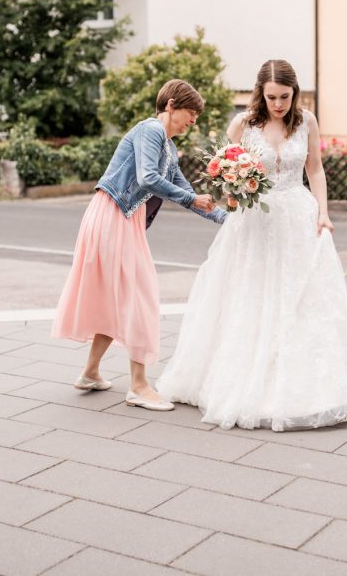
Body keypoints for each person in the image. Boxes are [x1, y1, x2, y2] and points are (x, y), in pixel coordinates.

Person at [156, 60, 347, 430]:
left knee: (302, 297)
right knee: (249, 295)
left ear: (295, 93)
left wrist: (323, 212)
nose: (279, 104)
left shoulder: (306, 121)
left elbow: (315, 169)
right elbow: (223, 175)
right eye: (272, 97)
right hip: (254, 221)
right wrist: (231, 189)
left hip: (297, 216)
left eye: (285, 97)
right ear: (260, 92)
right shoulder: (243, 125)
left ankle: (308, 383)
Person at [52, 79, 226, 411]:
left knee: (116, 296)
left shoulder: (169, 148)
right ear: (172, 105)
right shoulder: (151, 131)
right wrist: (192, 196)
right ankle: (139, 386)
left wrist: (226, 220)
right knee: (141, 295)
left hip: (118, 217)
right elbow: (148, 179)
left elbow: (189, 197)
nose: (194, 121)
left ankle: (90, 372)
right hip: (114, 214)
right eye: (191, 113)